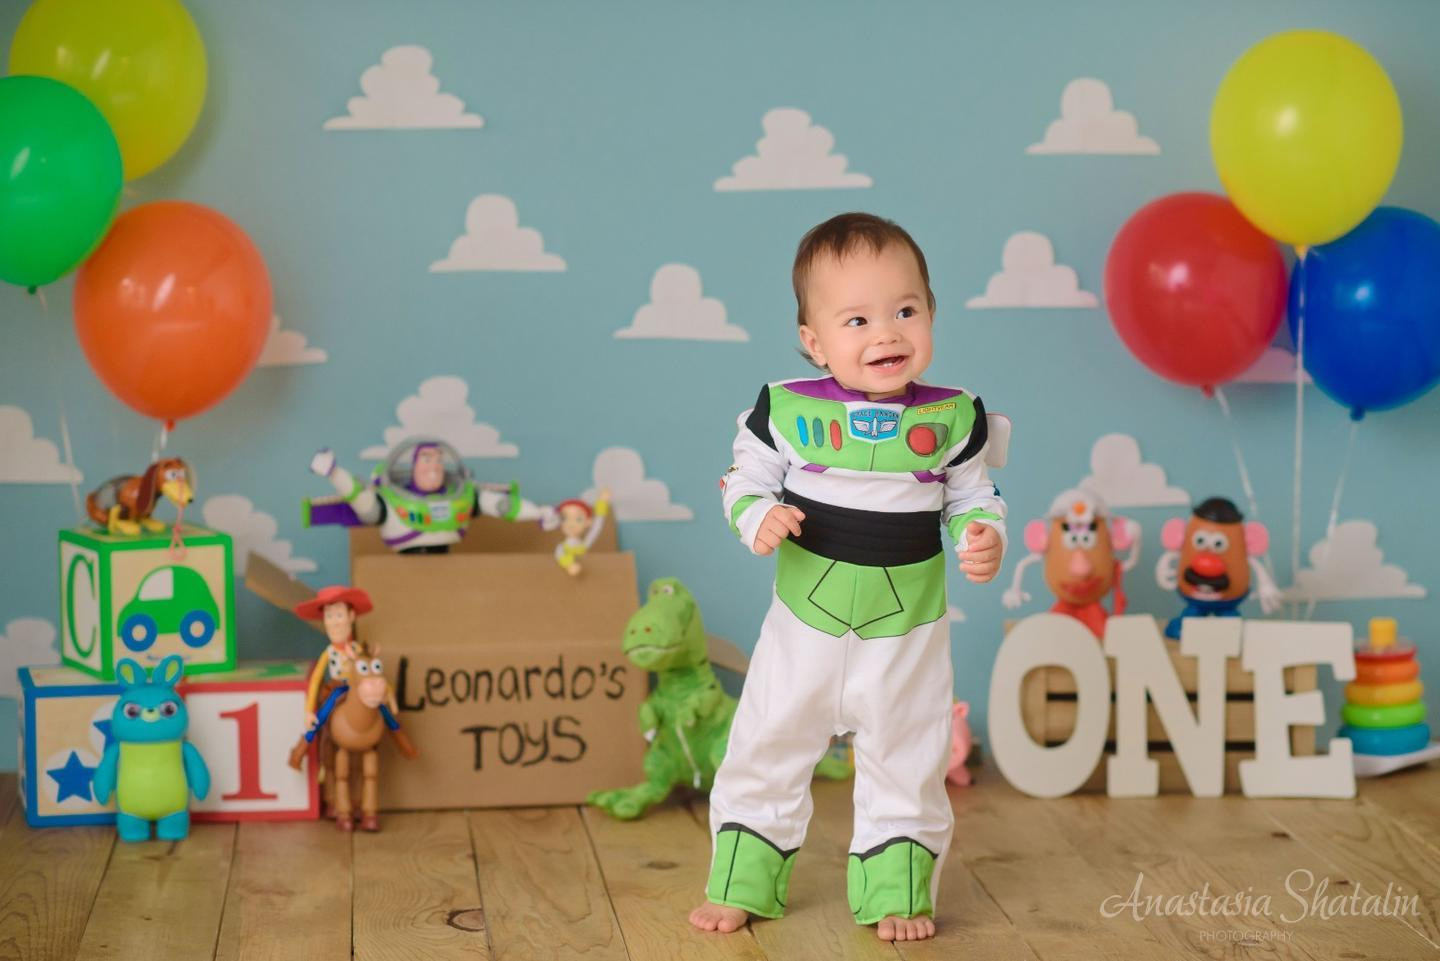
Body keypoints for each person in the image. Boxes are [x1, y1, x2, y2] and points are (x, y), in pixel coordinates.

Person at [692, 213, 1007, 943]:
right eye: (858, 318)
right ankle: (742, 879)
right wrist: (758, 516)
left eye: (906, 310)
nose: (886, 334)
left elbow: (972, 496)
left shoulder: (953, 418)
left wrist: (980, 533)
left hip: (907, 631)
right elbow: (744, 481)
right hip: (805, 625)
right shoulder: (786, 411)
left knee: (908, 752)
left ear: (930, 313)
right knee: (768, 741)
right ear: (815, 340)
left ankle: (896, 887)